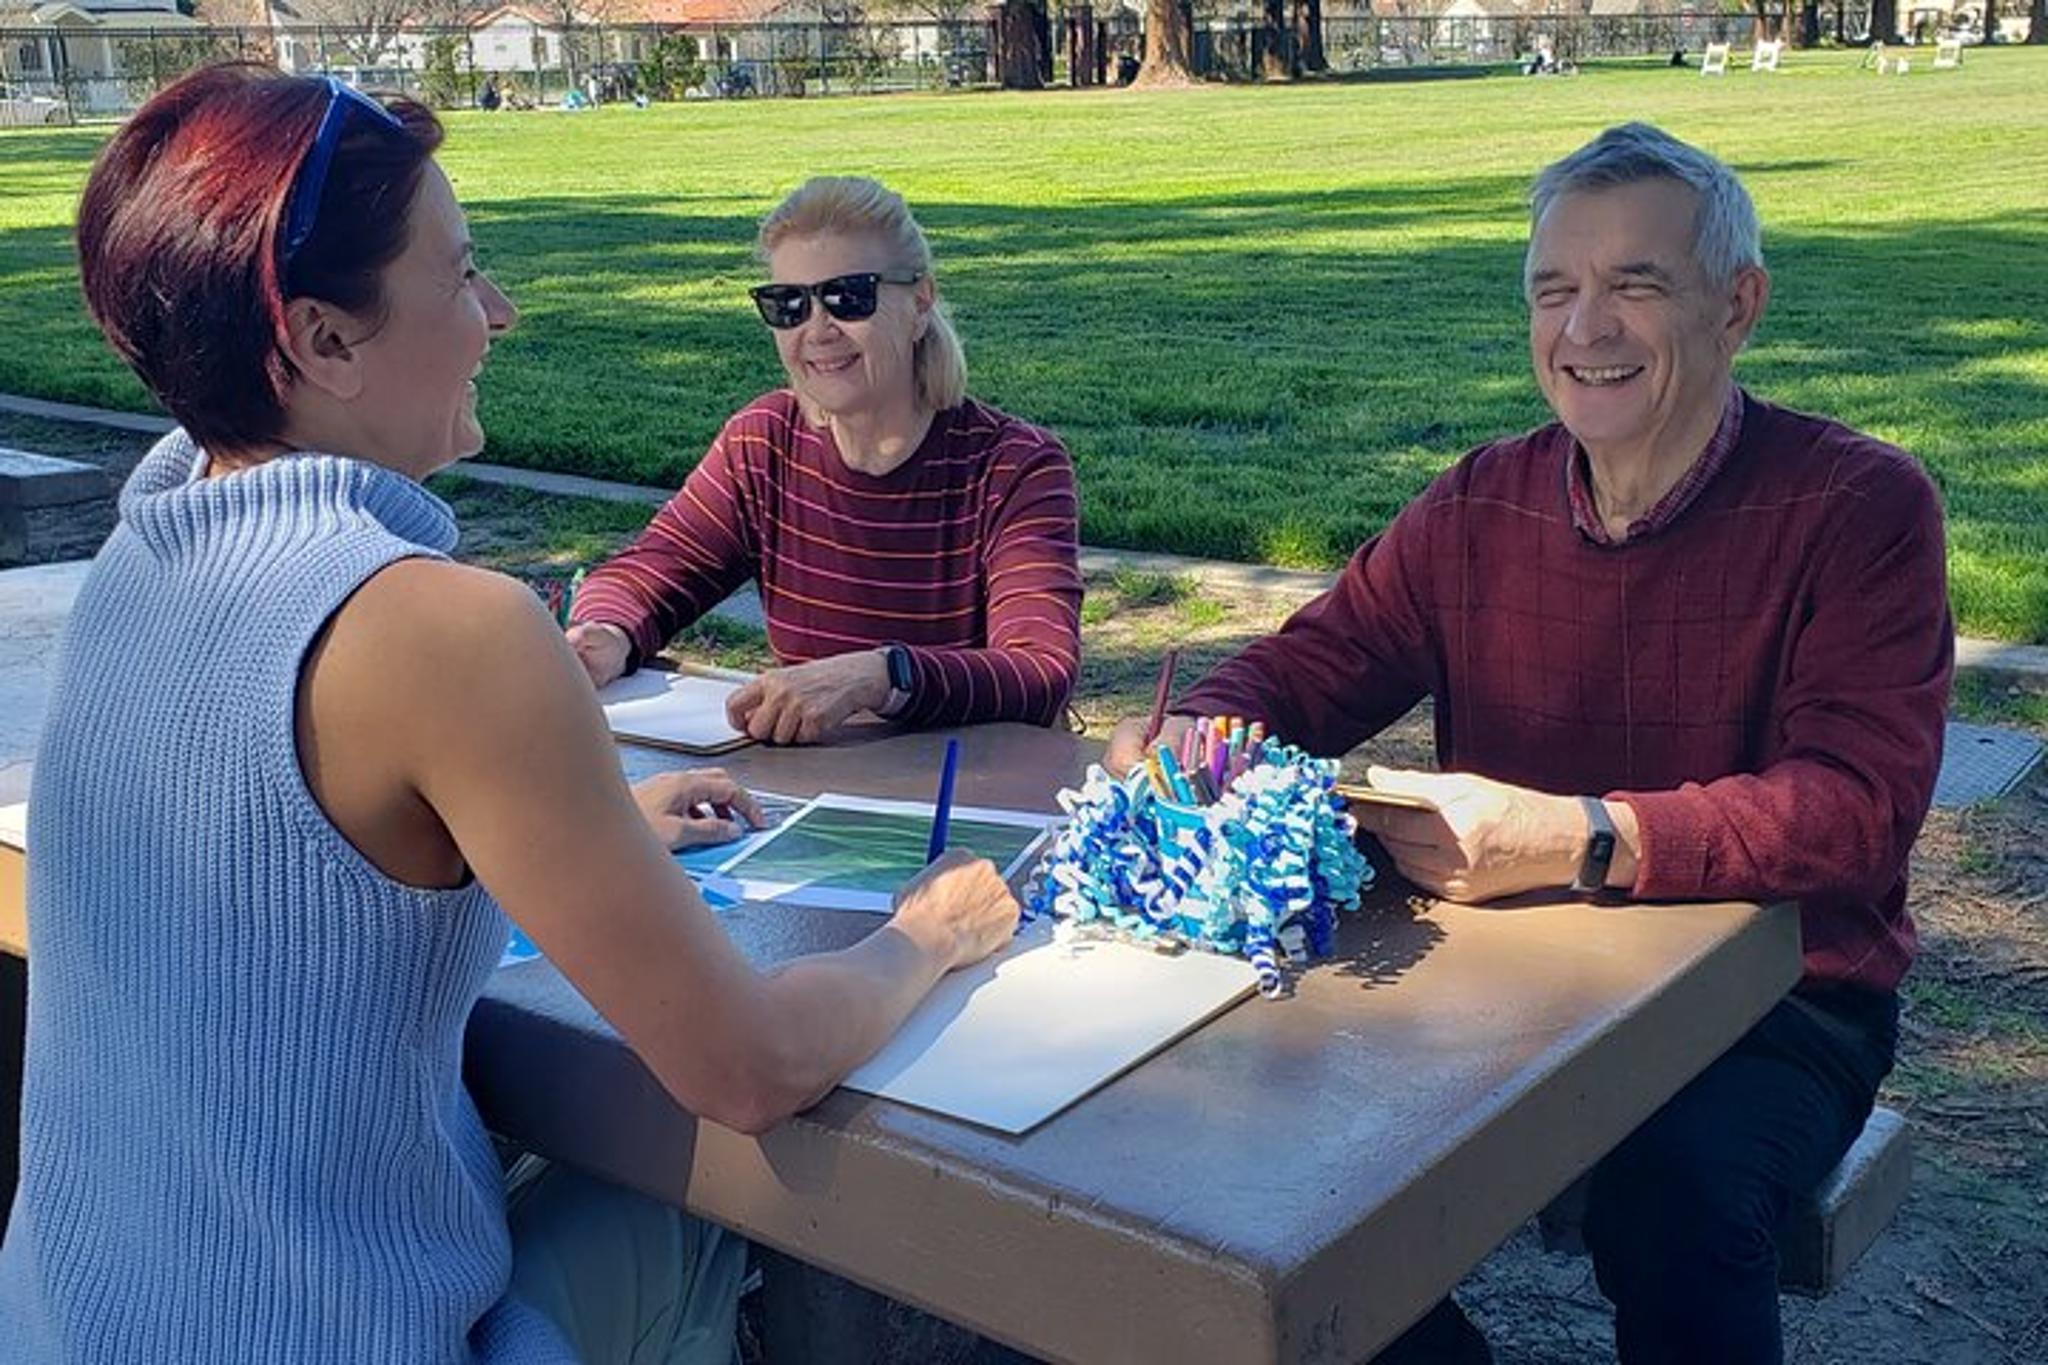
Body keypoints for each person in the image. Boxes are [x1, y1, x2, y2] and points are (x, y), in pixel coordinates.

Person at [0, 64, 1019, 1362]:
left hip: (57, 1323)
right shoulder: (452, 628)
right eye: (462, 270)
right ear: (322, 339)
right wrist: (928, 937)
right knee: (710, 1209)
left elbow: (290, 854)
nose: (499, 310)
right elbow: (751, 1067)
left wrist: (584, 824)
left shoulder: (139, 552)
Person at [1109, 123, 1951, 1364]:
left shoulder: (1857, 504)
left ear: (1738, 306)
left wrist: (1586, 837)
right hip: (1497, 980)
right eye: (1553, 290)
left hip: (1777, 995)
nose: (1583, 329)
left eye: (1634, 286)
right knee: (1260, 1153)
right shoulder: (1477, 500)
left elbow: (1853, 810)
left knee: (1677, 1197)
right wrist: (1204, 727)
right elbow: (1320, 661)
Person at [567, 176, 1083, 746]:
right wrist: (607, 631)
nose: (817, 330)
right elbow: (654, 569)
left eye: (848, 297)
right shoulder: (763, 444)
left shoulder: (1015, 466)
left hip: (973, 794)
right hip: (810, 778)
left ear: (919, 303)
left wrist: (883, 675)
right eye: (788, 305)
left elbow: (1040, 669)